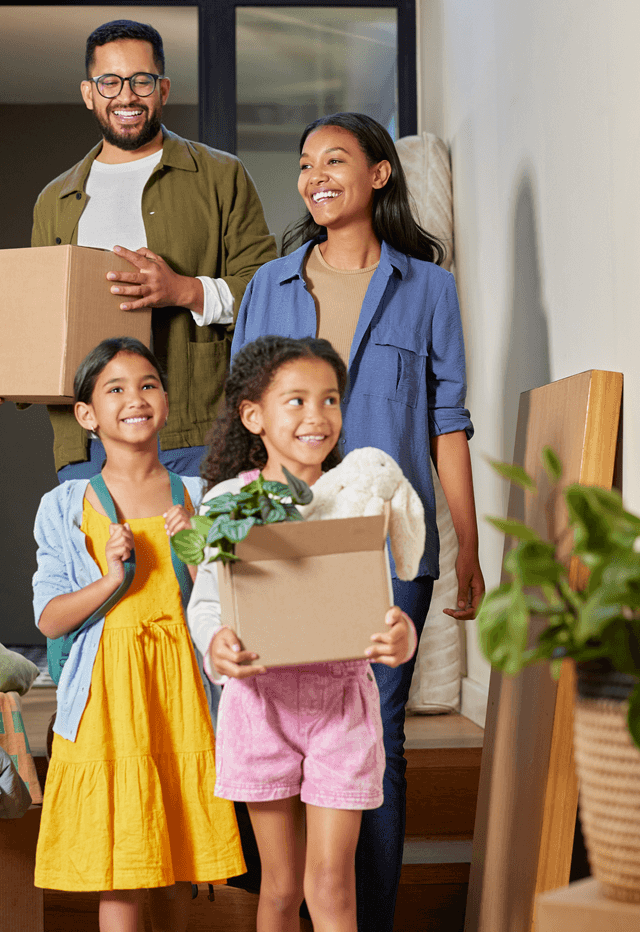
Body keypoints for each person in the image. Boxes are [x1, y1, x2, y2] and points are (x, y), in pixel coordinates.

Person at [228, 112, 486, 932]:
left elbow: (448, 422)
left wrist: (467, 544)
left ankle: (360, 918)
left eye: (334, 160)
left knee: (374, 735)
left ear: (378, 174)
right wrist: (233, 539)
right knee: (273, 727)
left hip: (385, 542)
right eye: (305, 163)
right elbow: (243, 423)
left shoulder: (428, 288)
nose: (315, 176)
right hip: (281, 538)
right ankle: (288, 907)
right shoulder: (268, 286)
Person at [0, 19, 277, 481]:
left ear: (163, 89)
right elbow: (40, 323)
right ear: (89, 93)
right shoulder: (55, 200)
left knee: (200, 534)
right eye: (110, 82)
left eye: (141, 81)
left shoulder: (221, 176)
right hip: (87, 445)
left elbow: (267, 294)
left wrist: (184, 290)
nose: (126, 96)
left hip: (195, 436)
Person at [186, 335, 417, 932]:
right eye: (296, 400)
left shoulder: (356, 498)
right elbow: (207, 602)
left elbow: (379, 604)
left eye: (330, 399)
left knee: (331, 885)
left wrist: (402, 635)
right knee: (282, 887)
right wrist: (216, 644)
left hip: (341, 705)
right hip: (259, 705)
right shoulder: (227, 502)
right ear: (253, 416)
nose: (317, 416)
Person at [31, 336, 244, 932]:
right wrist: (110, 578)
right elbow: (49, 618)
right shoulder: (64, 505)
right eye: (115, 389)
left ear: (167, 402)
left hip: (183, 694)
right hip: (107, 698)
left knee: (181, 858)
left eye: (148, 385)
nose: (135, 398)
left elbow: (233, 607)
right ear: (86, 415)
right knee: (122, 863)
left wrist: (196, 548)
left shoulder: (202, 496)